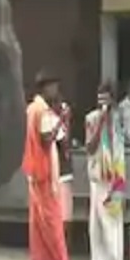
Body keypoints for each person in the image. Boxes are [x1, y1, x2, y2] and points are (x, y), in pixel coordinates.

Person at [21, 69, 83, 260]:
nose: (56, 90)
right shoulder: (43, 111)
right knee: (53, 220)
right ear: (45, 88)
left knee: (38, 221)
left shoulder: (31, 109)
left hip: (33, 170)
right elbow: (47, 138)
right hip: (45, 172)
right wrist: (62, 119)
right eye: (53, 86)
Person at [85, 81, 127, 260]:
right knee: (98, 220)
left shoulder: (119, 119)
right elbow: (90, 147)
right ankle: (99, 259)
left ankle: (114, 259)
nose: (102, 101)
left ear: (112, 99)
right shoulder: (91, 118)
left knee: (113, 216)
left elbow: (119, 147)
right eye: (99, 97)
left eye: (106, 97)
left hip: (116, 175)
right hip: (97, 175)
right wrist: (100, 122)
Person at [51, 96, 75, 241]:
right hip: (53, 173)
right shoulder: (50, 122)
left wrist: (65, 122)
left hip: (64, 173)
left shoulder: (63, 128)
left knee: (66, 215)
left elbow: (66, 145)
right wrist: (61, 120)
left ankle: (65, 246)